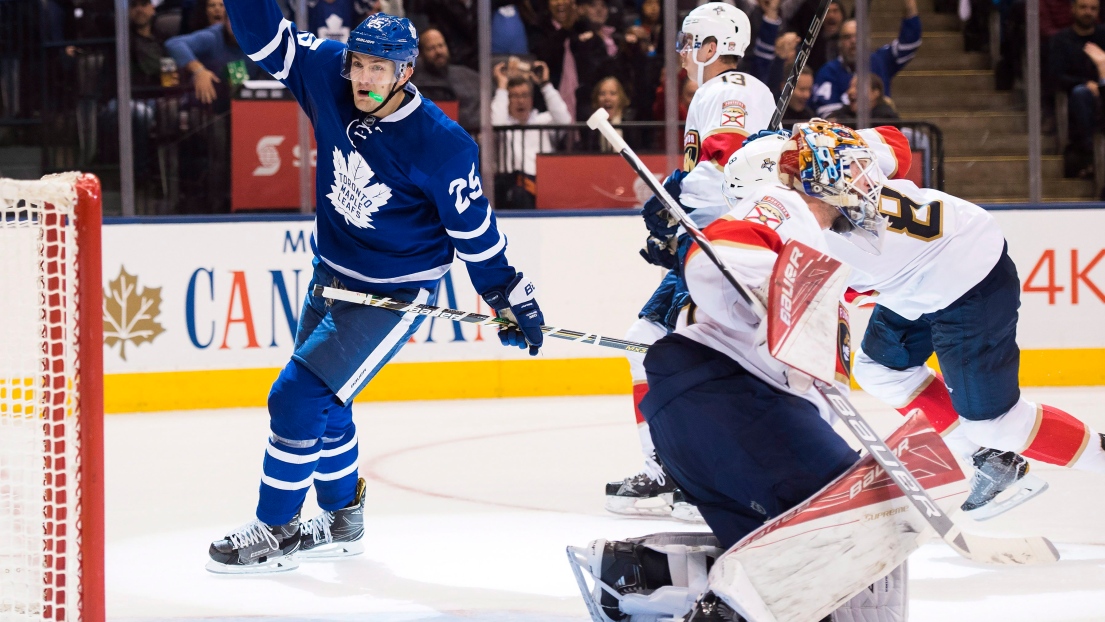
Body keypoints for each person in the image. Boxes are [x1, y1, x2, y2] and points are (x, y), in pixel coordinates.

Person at [209, 7, 546, 573]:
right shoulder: (328, 72)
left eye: (379, 69)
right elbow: (263, 37)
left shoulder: (442, 145)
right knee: (328, 401)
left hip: (391, 294)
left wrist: (507, 293)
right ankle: (343, 518)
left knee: (295, 397)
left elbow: (475, 233)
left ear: (407, 72)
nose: (363, 79)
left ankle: (277, 528)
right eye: (359, 64)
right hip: (331, 272)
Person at [604, 2, 777, 519]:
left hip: (726, 244)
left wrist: (673, 196)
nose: (680, 52)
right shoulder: (723, 92)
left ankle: (694, 475)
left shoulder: (731, 90)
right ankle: (673, 471)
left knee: (679, 352)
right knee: (648, 341)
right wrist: (674, 216)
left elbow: (729, 164)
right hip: (706, 238)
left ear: (710, 48)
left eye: (688, 42)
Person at [811, 0, 920, 117]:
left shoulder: (880, 60)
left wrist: (909, 3)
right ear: (839, 43)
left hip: (879, 130)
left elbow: (910, 41)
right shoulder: (828, 72)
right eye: (847, 37)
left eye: (858, 36)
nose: (853, 41)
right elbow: (829, 116)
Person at [490, 58, 571, 209]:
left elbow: (565, 120)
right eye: (514, 96)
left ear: (531, 98)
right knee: (518, 193)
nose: (520, 101)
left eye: (525, 95)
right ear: (507, 99)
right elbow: (496, 125)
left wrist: (545, 85)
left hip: (545, 182)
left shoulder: (543, 120)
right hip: (513, 184)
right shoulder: (504, 123)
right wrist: (501, 87)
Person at [1051, 0, 1105, 178]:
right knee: (1080, 93)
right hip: (1078, 95)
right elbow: (1056, 76)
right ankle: (1089, 150)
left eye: (1093, 8)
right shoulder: (1061, 40)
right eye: (1083, 7)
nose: (1088, 12)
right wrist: (1086, 82)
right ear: (1072, 9)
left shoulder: (1103, 35)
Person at [411, 27, 480, 132]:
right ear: (421, 54)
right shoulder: (414, 84)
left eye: (441, 46)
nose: (438, 52)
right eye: (431, 48)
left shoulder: (467, 74)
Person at [827, 74, 900, 124]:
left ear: (875, 93)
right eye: (850, 87)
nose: (850, 91)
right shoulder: (846, 111)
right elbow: (829, 119)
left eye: (857, 87)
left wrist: (843, 123)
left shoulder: (886, 116)